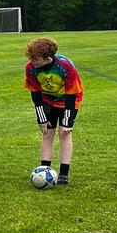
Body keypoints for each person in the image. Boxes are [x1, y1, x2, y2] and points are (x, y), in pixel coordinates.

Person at [24, 37, 83, 185]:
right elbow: (35, 94)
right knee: (47, 132)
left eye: (35, 59)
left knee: (64, 133)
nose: (32, 61)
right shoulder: (31, 68)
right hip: (48, 100)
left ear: (48, 58)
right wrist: (41, 117)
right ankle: (45, 170)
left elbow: (71, 94)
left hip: (69, 101)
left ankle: (63, 174)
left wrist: (67, 121)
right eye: (30, 58)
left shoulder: (65, 66)